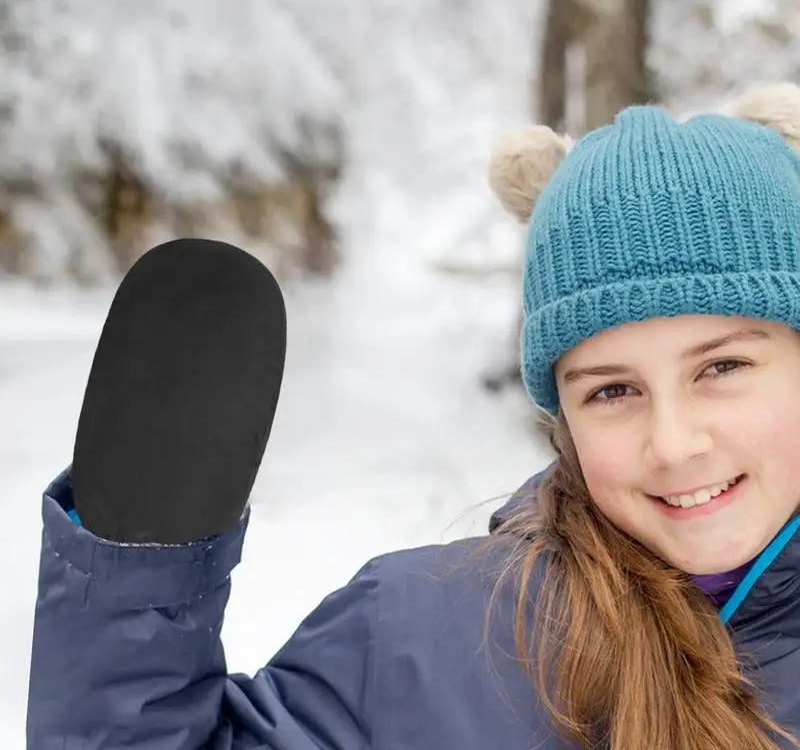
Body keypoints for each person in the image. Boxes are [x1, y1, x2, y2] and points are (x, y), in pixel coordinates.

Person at [25, 81, 800, 750]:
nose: (673, 443)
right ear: (561, 414)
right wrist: (134, 604)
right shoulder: (430, 646)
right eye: (611, 391)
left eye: (722, 368)